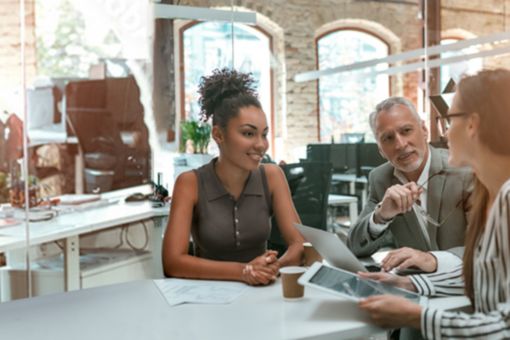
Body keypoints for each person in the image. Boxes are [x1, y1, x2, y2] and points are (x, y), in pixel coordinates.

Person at [358, 69, 510, 339]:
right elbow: (483, 273)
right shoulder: (500, 196)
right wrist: (410, 282)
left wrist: (416, 316)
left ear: (472, 125)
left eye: (449, 120)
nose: (445, 131)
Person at [162, 68, 304, 285]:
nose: (261, 144)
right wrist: (243, 271)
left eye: (264, 134)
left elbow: (298, 244)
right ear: (218, 134)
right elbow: (172, 262)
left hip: (261, 294)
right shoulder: (189, 183)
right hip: (206, 297)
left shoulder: (272, 175)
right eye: (248, 133)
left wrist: (272, 268)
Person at [347, 97, 472, 273]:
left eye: (406, 131)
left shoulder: (465, 172)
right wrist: (381, 216)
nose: (400, 144)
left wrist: (432, 259)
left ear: (424, 130)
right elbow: (354, 247)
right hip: (413, 286)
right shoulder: (380, 178)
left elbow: (491, 248)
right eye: (388, 138)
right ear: (381, 150)